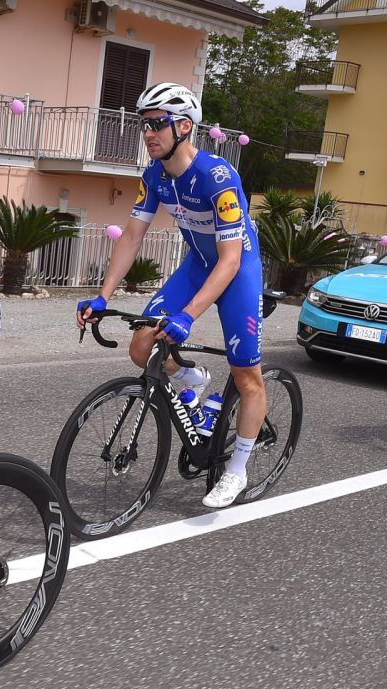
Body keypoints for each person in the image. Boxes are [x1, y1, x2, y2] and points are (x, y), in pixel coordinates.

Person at [76, 82, 266, 509]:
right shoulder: (155, 176)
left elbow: (230, 261)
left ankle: (237, 469)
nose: (148, 133)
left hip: (237, 269)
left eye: (157, 123)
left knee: (246, 376)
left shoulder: (218, 177)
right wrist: (101, 296)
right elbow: (132, 236)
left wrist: (188, 316)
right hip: (197, 265)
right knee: (142, 345)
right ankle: (192, 380)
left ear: (184, 126)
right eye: (144, 125)